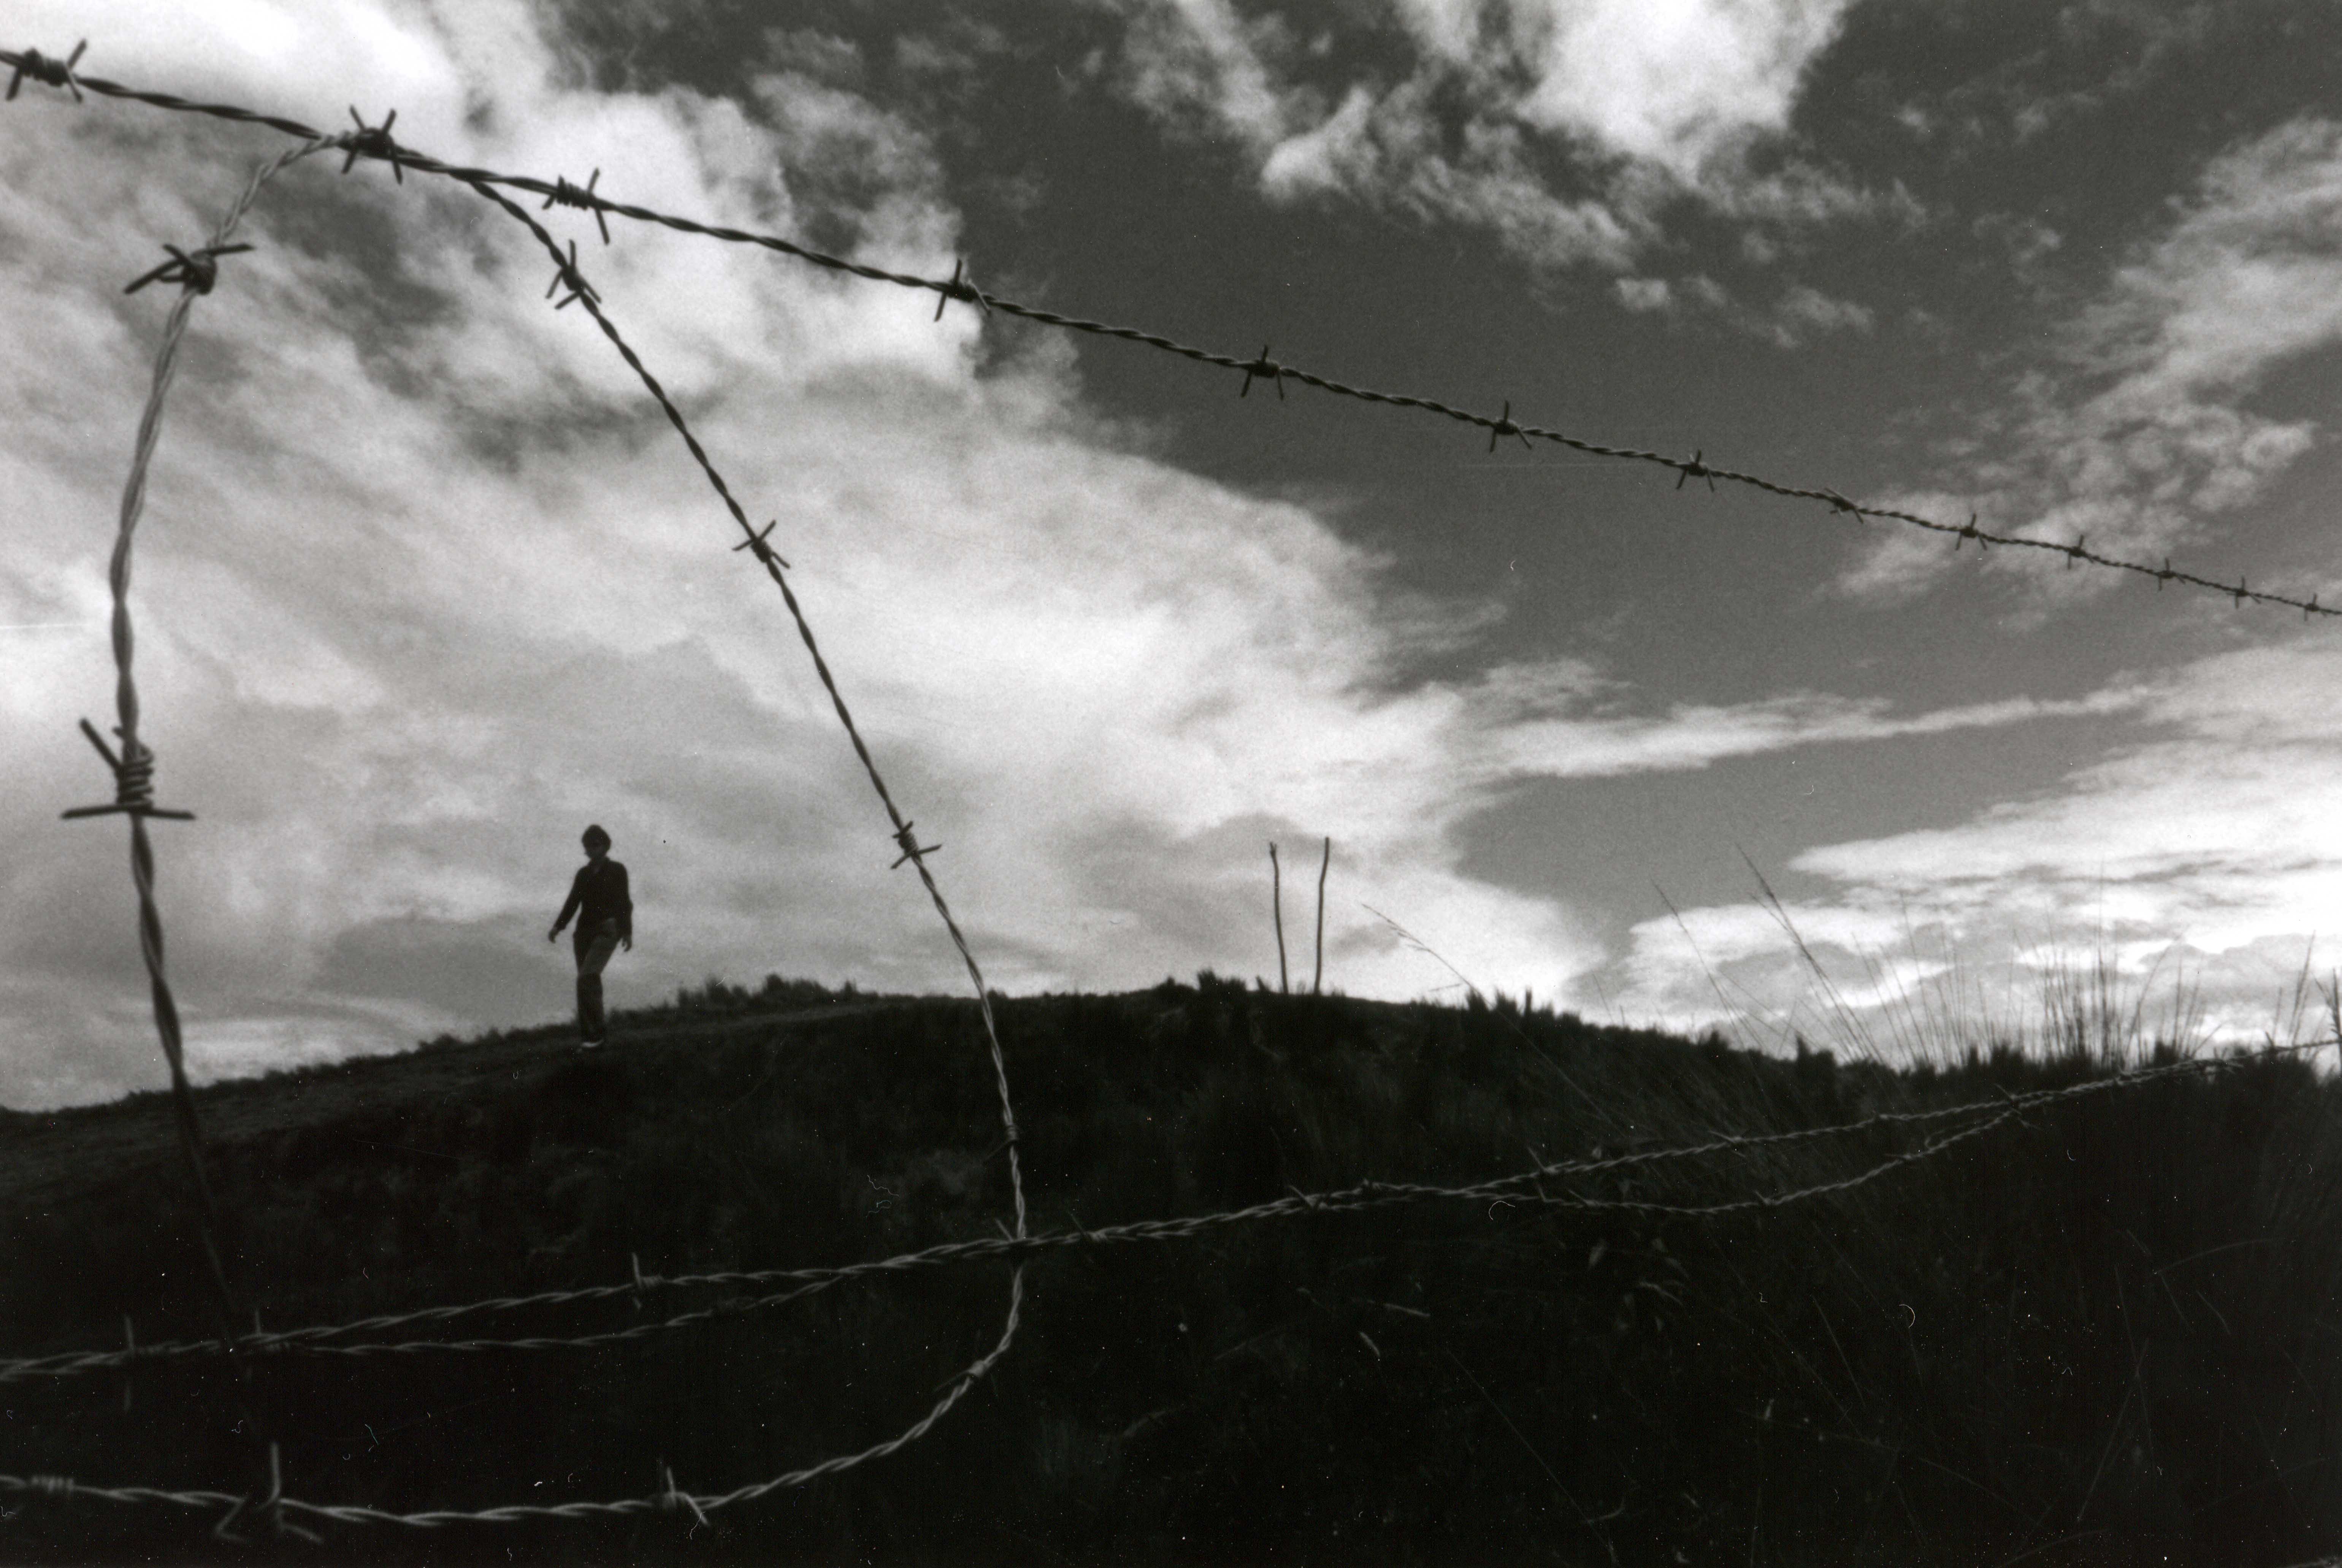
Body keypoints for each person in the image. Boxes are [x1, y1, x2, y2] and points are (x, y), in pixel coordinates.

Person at [548, 824, 632, 1046]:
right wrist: (559, 926)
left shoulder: (617, 870)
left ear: (604, 846)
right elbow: (573, 901)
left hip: (607, 930)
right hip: (583, 934)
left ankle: (595, 1036)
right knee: (587, 983)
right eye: (587, 846)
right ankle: (593, 1036)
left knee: (587, 978)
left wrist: (627, 931)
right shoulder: (583, 874)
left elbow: (625, 903)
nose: (590, 850)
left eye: (595, 845)